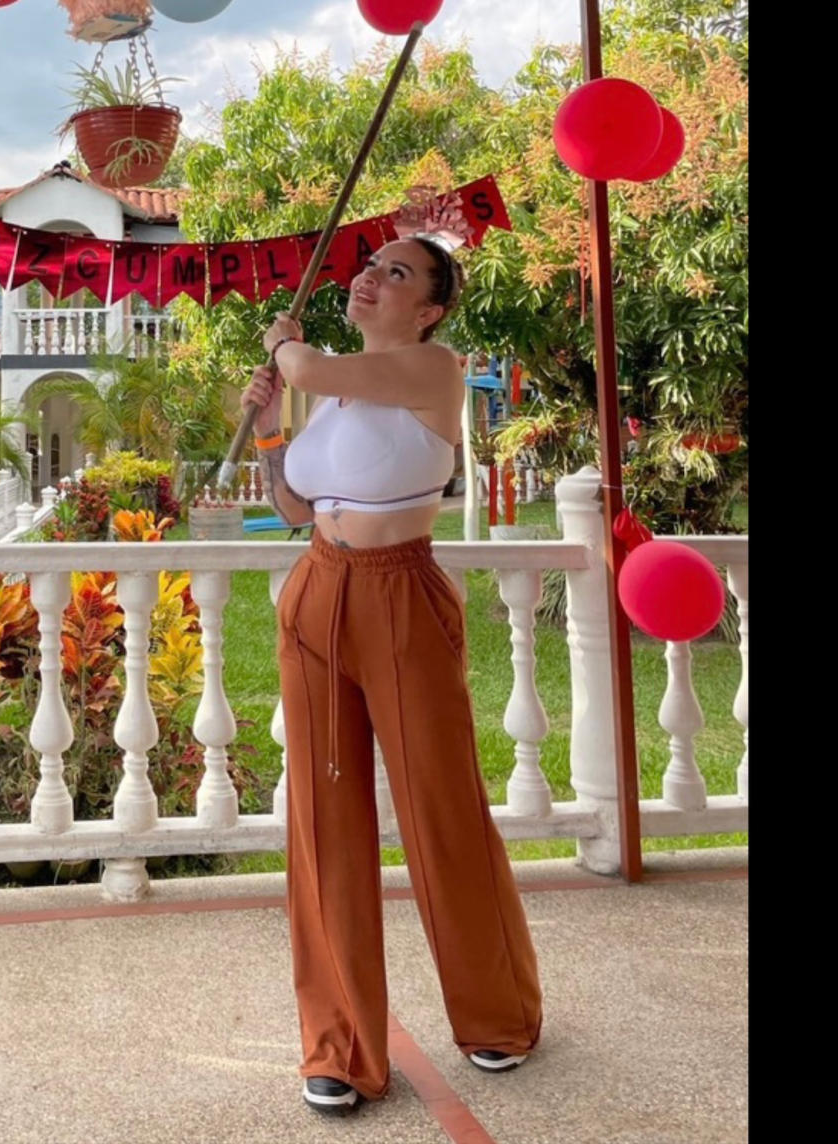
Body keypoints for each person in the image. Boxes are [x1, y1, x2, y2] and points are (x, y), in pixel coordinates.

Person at [240, 235, 542, 1116]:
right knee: (323, 817)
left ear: (431, 310)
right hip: (317, 594)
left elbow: (306, 363)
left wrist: (283, 348)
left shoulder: (432, 370)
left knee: (440, 805)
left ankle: (497, 1014)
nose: (370, 277)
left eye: (397, 273)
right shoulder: (334, 399)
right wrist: (271, 427)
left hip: (401, 594)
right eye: (369, 266)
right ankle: (339, 1047)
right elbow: (293, 506)